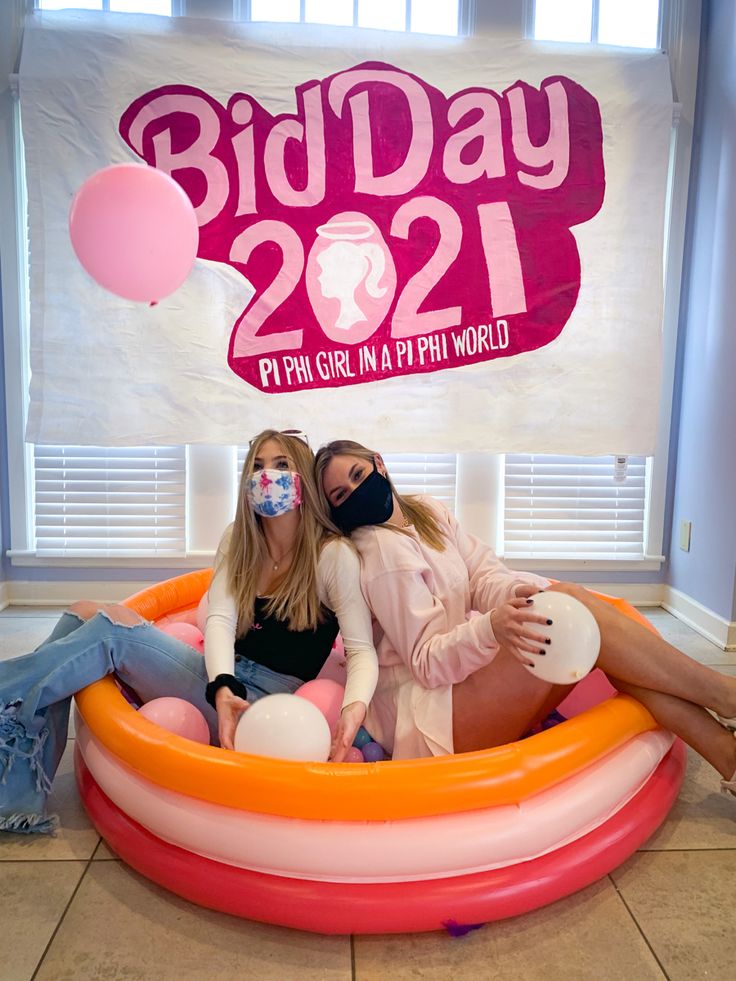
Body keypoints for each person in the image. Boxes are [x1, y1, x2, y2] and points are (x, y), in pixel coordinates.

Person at [0, 430, 378, 834]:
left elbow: (360, 651)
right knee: (80, 615)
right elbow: (219, 619)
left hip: (269, 705)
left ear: (302, 476)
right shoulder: (239, 539)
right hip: (222, 683)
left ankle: (7, 703)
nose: (268, 476)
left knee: (108, 633)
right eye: (257, 466)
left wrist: (354, 709)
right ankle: (20, 792)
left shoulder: (331, 555)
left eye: (282, 465)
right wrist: (221, 685)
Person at [314, 439, 736, 800]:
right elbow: (426, 663)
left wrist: (516, 593)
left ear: (379, 463)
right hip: (431, 715)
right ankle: (724, 695)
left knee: (590, 637)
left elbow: (483, 574)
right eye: (341, 494)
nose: (355, 489)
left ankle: (726, 752)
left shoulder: (426, 511)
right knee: (576, 614)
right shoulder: (381, 552)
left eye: (357, 474)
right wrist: (490, 627)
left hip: (461, 683)